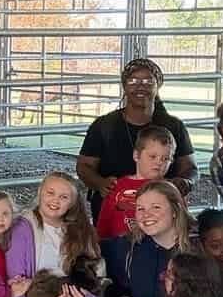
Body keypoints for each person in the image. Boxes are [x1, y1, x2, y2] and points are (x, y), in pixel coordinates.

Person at [76, 58, 198, 222]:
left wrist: (185, 182)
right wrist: (100, 183)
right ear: (124, 86)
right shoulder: (104, 126)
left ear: (158, 85)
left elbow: (190, 168)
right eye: (133, 81)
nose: (140, 86)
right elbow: (84, 166)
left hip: (162, 213)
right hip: (114, 212)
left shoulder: (173, 126)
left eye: (148, 81)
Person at [95, 125, 175, 239]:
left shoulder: (170, 190)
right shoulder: (117, 187)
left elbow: (181, 224)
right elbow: (104, 225)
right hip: (119, 251)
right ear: (136, 155)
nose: (159, 162)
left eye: (165, 158)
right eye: (152, 156)